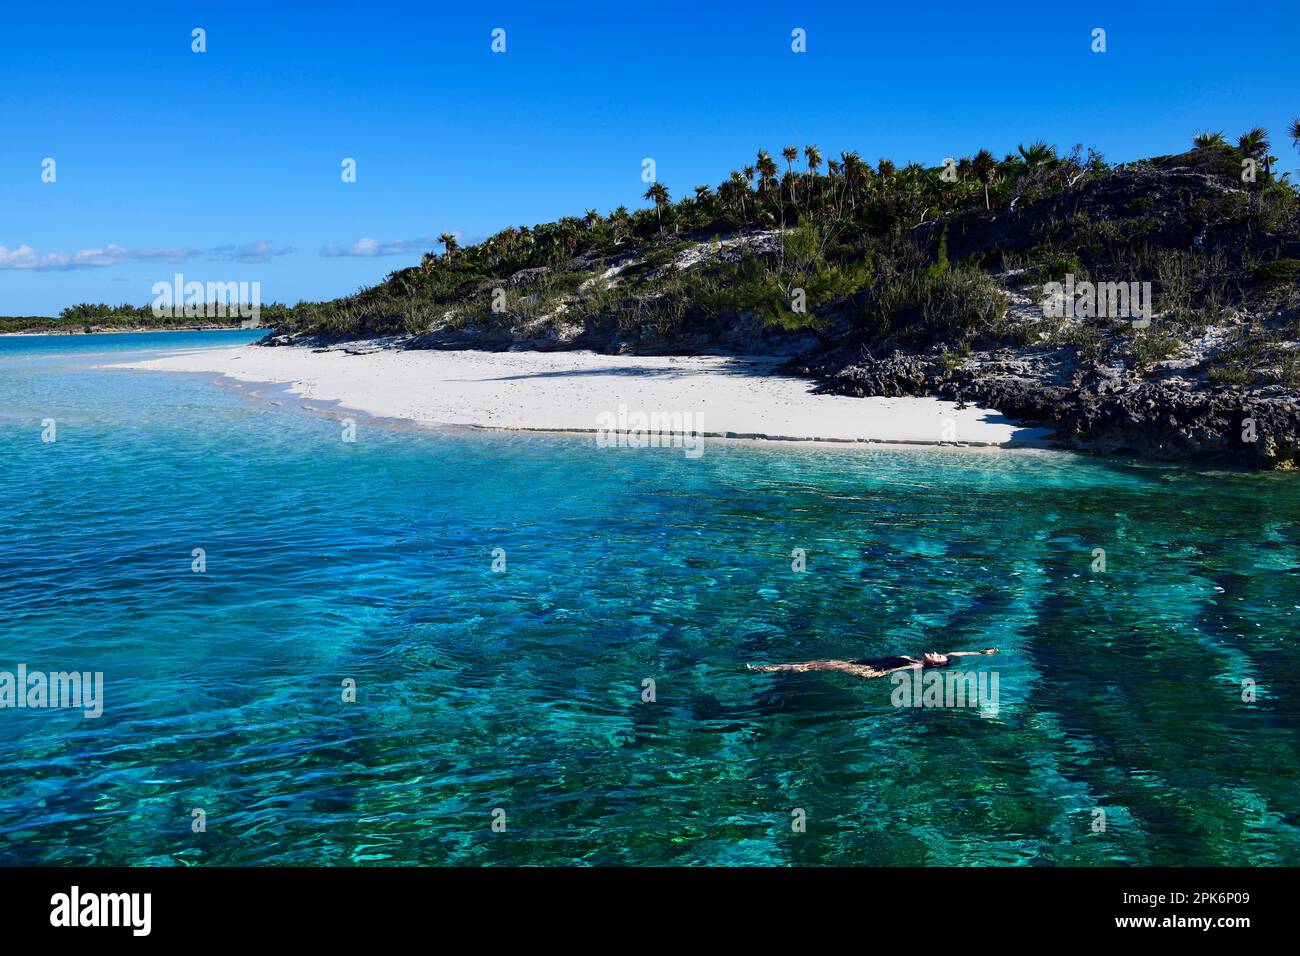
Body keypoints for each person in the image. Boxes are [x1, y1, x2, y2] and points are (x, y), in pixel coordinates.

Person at [747, 648, 997, 680]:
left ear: (935, 665)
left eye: (939, 657)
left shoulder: (917, 666)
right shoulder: (920, 658)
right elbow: (956, 653)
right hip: (864, 662)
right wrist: (982, 652)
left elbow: (897, 669)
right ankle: (772, 667)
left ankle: (766, 669)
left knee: (817, 665)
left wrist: (876, 675)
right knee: (817, 660)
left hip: (870, 669)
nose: (937, 653)